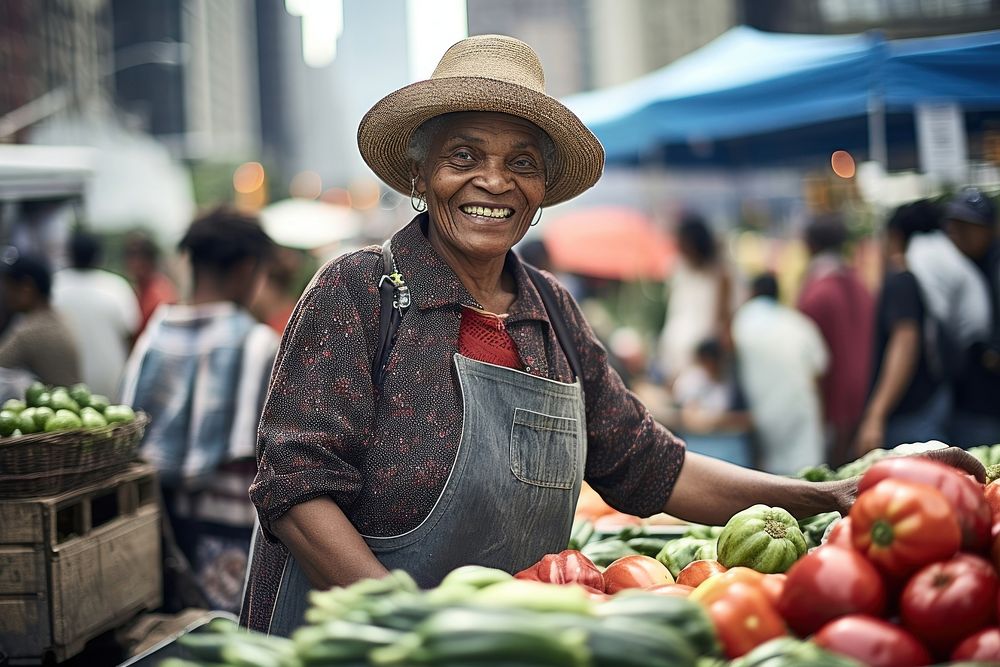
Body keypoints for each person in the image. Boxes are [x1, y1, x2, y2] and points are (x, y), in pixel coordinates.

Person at [239, 35, 983, 635]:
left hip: (500, 648)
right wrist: (408, 626)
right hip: (348, 640)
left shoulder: (551, 312)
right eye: (464, 155)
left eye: (520, 163)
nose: (493, 181)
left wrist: (831, 493)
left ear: (541, 191)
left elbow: (649, 467)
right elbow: (296, 488)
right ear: (421, 170)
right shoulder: (362, 290)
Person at [120, 208, 279, 613]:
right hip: (235, 534)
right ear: (248, 268)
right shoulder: (257, 344)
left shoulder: (154, 336)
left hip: (163, 528)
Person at [856, 200, 952, 454]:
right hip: (929, 404)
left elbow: (905, 342)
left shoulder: (902, 280)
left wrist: (875, 414)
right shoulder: (926, 276)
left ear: (894, 237)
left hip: (910, 414)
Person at [797, 215, 874, 467]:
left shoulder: (816, 293)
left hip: (830, 399)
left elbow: (808, 358)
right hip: (863, 394)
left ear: (811, 246)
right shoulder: (860, 285)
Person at [732, 273, 829, 475]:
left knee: (770, 483)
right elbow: (820, 367)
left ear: (752, 292)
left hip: (764, 411)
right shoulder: (798, 323)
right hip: (800, 406)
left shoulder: (742, 320)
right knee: (808, 476)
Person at [51, 230, 141, 397]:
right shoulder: (116, 287)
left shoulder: (54, 287)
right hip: (111, 387)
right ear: (98, 255)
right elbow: (131, 337)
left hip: (62, 394)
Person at [943, 187, 1000, 447]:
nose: (957, 233)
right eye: (955, 225)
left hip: (986, 402)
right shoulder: (960, 264)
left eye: (968, 226)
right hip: (971, 398)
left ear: (989, 229)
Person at [657, 213, 733, 383]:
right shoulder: (678, 269)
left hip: (702, 362)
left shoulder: (720, 275)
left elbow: (722, 320)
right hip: (675, 359)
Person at [0, 252, 81, 389]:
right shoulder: (55, 317)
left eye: (9, 286)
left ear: (27, 288)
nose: (5, 293)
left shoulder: (31, 332)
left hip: (52, 407)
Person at [123, 231, 179, 338]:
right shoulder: (138, 290)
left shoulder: (160, 296)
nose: (133, 262)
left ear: (149, 259)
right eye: (130, 255)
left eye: (138, 255)